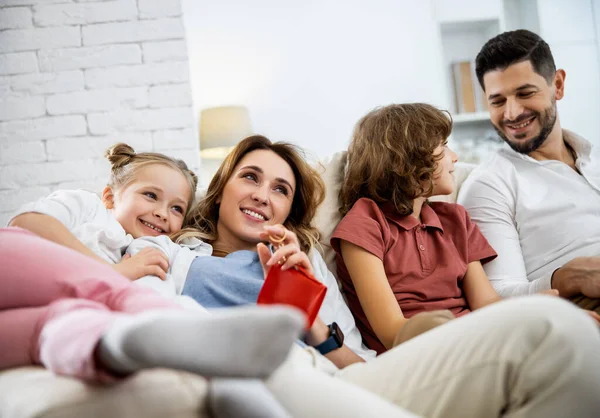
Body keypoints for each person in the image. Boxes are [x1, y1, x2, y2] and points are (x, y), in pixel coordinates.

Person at [179, 135, 600, 418]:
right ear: (222, 188)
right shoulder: (174, 256)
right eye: (250, 178)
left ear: (289, 211)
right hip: (264, 380)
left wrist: (311, 322)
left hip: (335, 379)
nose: (261, 195)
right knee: (554, 332)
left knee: (564, 340)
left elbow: (355, 364)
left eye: (280, 189)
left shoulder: (303, 259)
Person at [331, 103, 502, 354]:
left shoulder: (455, 219)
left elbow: (488, 305)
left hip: (478, 341)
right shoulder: (366, 223)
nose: (454, 157)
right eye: (443, 147)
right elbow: (393, 333)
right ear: (409, 158)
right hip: (420, 354)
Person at [457, 30, 600, 313]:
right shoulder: (490, 185)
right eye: (497, 101)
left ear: (557, 85)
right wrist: (568, 277)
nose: (512, 113)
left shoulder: (593, 158)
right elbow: (496, 299)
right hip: (579, 308)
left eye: (525, 93)